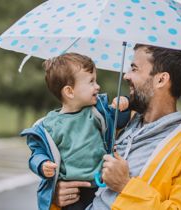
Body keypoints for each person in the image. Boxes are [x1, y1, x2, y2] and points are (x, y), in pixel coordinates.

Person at [52, 45, 181, 210]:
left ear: (161, 80)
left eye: (134, 69)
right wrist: (59, 195)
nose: (126, 76)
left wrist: (125, 186)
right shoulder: (118, 123)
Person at [20, 53, 130, 210]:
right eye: (91, 81)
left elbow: (119, 121)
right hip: (72, 191)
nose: (97, 86)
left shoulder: (96, 112)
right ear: (69, 92)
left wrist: (122, 106)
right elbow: (37, 152)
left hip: (101, 184)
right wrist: (41, 164)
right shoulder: (50, 126)